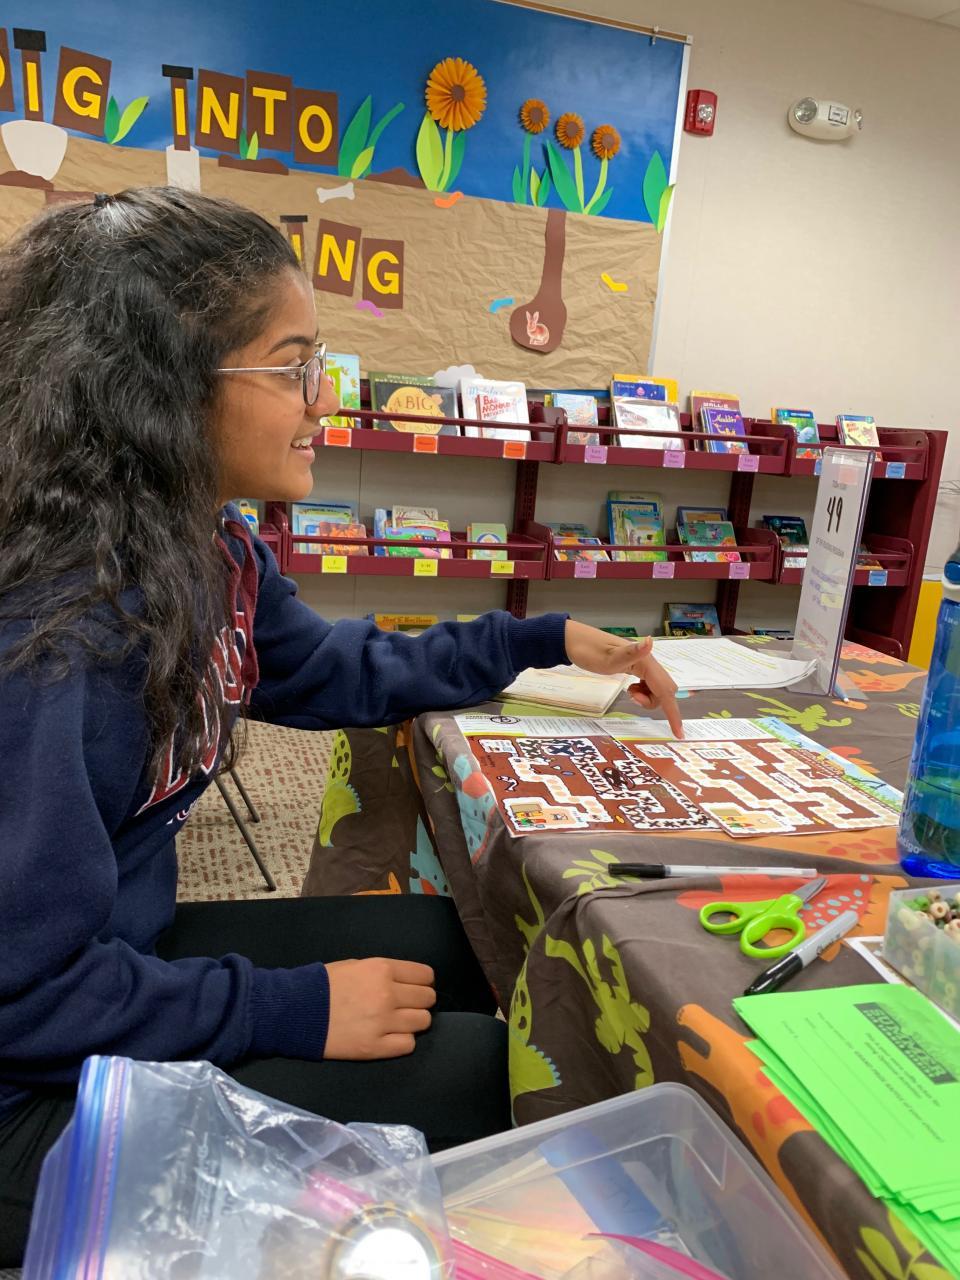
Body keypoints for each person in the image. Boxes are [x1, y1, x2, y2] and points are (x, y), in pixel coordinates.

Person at [0, 187, 682, 1265]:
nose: (324, 399)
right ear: (164, 385)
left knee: (469, 946)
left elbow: (334, 669)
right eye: (293, 367)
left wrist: (537, 638)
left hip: (111, 963)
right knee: (485, 1070)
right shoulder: (58, 627)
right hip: (28, 1093)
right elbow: (22, 991)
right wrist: (286, 1008)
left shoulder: (207, 547)